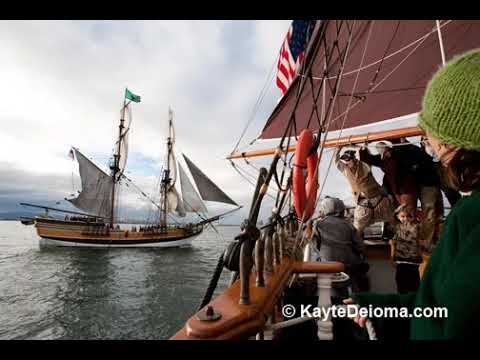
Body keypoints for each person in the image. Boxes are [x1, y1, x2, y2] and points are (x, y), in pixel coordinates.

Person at [345, 49, 480, 340]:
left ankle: (425, 240)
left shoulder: (470, 219)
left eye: (435, 135)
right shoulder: (391, 160)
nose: (432, 142)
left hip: (410, 196)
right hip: (405, 206)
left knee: (428, 217)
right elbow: (435, 309)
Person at [334, 146, 395, 239]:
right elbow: (336, 162)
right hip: (363, 203)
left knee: (392, 220)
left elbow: (366, 156)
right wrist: (338, 149)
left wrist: (363, 147)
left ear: (353, 158)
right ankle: (358, 246)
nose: (347, 162)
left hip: (378, 199)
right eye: (345, 160)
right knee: (357, 230)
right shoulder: (346, 169)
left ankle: (394, 240)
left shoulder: (364, 165)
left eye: (348, 159)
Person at [313, 197, 370, 293]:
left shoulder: (318, 224)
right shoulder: (348, 225)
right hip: (348, 266)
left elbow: (316, 246)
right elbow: (361, 247)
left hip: (327, 266)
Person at [359, 141, 418, 210]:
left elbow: (406, 150)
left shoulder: (398, 153)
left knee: (408, 211)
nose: (379, 150)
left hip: (407, 189)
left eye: (382, 147)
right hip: (394, 190)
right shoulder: (382, 159)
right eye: (378, 148)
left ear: (387, 147)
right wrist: (364, 147)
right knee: (399, 212)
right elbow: (366, 159)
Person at [390, 204, 422, 294]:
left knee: (414, 288)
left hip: (414, 263)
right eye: (403, 216)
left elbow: (421, 241)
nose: (406, 219)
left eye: (409, 216)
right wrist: (392, 257)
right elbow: (392, 243)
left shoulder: (417, 227)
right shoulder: (396, 228)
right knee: (401, 287)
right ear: (397, 216)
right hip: (401, 262)